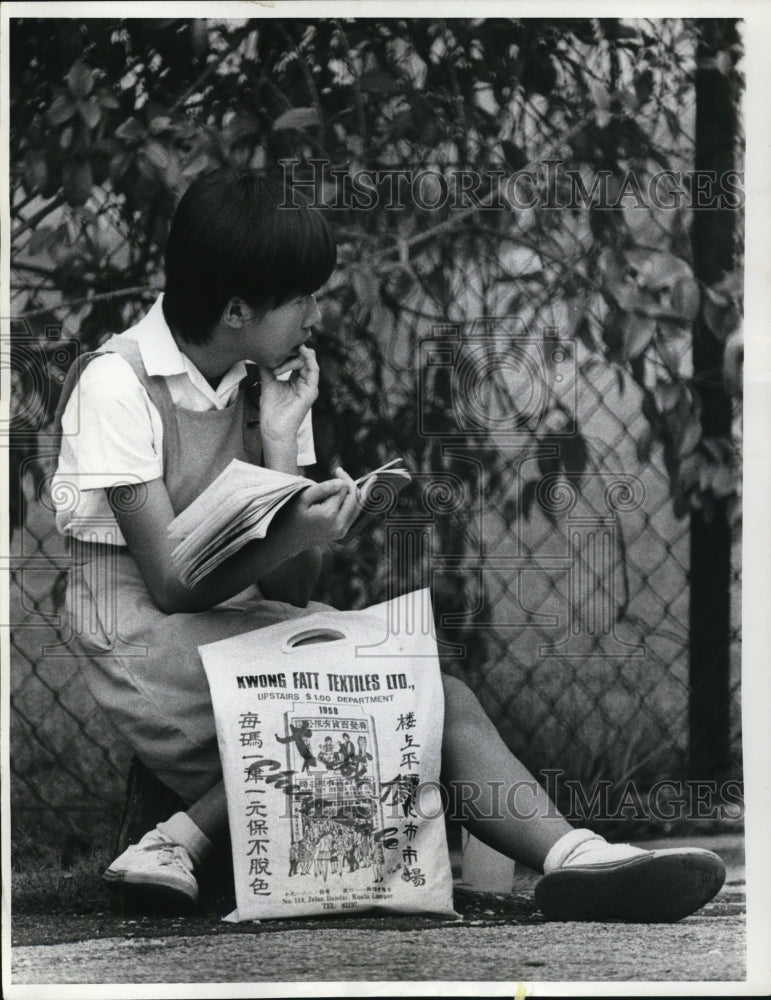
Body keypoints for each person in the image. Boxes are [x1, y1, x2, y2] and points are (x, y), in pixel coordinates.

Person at [53, 167, 726, 923]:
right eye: (301, 297)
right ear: (237, 308)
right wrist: (299, 522)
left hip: (237, 626)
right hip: (150, 640)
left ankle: (578, 860)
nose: (316, 310)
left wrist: (280, 442)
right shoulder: (116, 383)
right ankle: (173, 840)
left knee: (426, 686)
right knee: (368, 701)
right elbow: (172, 585)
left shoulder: (263, 382)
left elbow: (291, 582)